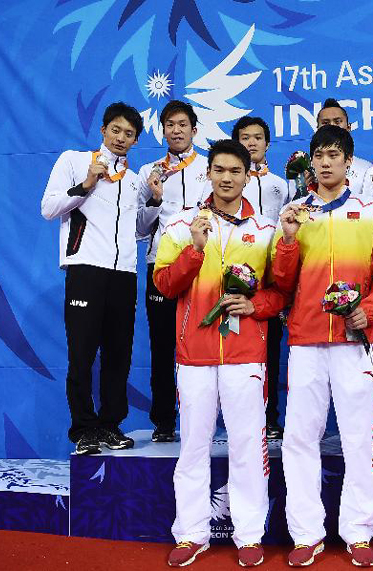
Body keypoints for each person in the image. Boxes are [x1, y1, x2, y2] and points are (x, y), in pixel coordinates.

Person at [154, 139, 288, 568]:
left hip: (246, 355)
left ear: (248, 175)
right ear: (207, 174)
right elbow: (164, 285)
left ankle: (249, 534)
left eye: (235, 171)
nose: (227, 178)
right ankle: (191, 534)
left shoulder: (266, 230)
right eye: (219, 170)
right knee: (193, 446)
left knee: (247, 446)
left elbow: (280, 293)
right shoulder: (179, 225)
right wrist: (195, 249)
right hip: (193, 354)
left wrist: (255, 305)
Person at [272, 125, 373, 567]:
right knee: (300, 438)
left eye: (333, 154)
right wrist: (286, 241)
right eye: (318, 154)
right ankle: (306, 533)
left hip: (356, 341)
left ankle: (360, 532)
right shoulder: (294, 213)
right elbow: (281, 283)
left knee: (360, 436)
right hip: (306, 339)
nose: (325, 162)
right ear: (311, 161)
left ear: (349, 161)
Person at [41, 102, 143, 455]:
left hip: (124, 274)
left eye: (129, 134)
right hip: (85, 269)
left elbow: (140, 230)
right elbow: (49, 207)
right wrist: (86, 184)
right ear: (103, 131)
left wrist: (156, 202)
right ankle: (84, 428)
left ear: (135, 141)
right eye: (116, 130)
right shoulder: (73, 161)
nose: (121, 138)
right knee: (82, 353)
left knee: (119, 354)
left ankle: (110, 425)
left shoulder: (134, 181)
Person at [136, 99, 209, 443]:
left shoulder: (211, 168)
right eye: (170, 125)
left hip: (202, 265)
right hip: (160, 267)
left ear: (194, 129)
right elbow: (138, 229)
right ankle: (164, 422)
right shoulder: (149, 171)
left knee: (204, 344)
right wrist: (153, 199)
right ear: (162, 130)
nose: (176, 130)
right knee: (162, 346)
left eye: (182, 124)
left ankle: (204, 422)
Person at [232, 115, 292, 440]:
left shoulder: (281, 185)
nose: (252, 142)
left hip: (271, 279)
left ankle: (270, 418)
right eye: (245, 137)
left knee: (270, 350)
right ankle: (240, 419)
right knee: (237, 349)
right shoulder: (227, 182)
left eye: (257, 137)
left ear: (268, 144)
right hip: (236, 275)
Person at [316, 98, 372, 195]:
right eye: (325, 123)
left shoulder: (367, 169)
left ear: (348, 128)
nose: (332, 126)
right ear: (317, 129)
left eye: (337, 122)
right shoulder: (305, 170)